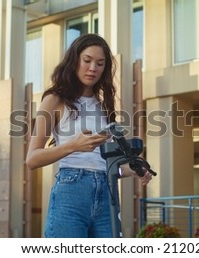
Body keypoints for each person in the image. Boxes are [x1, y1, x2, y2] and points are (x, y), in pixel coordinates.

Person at [26, 33, 153, 238]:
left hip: (107, 191)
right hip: (71, 191)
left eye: (100, 63)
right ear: (74, 60)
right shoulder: (54, 100)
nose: (93, 68)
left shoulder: (104, 107)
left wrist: (131, 170)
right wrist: (74, 145)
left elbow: (105, 165)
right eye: (87, 60)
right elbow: (32, 159)